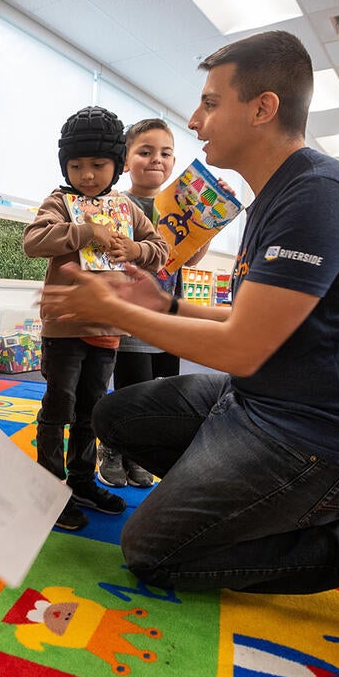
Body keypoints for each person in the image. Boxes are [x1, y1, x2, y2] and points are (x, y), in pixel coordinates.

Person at [39, 30, 339, 650]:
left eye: (210, 102)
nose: (194, 119)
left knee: (152, 550)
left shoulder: (319, 193)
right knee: (116, 413)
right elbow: (253, 315)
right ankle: (240, 500)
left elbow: (241, 347)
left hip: (322, 437)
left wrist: (114, 309)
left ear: (263, 108)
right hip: (257, 403)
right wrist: (170, 304)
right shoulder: (273, 196)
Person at [23, 105, 169, 531]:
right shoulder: (60, 201)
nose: (87, 175)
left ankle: (82, 480)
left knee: (92, 408)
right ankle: (49, 486)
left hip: (107, 329)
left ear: (117, 165)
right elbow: (33, 242)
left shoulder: (126, 207)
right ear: (64, 165)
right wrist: (85, 231)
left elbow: (158, 248)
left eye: (98, 165)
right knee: (59, 406)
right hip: (65, 326)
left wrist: (136, 250)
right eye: (76, 165)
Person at [96, 120, 221, 488]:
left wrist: (205, 227)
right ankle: (113, 447)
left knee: (161, 390)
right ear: (126, 160)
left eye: (165, 153)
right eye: (145, 152)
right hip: (133, 317)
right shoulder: (118, 203)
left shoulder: (178, 204)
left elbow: (190, 258)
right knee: (132, 388)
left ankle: (138, 452)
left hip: (168, 315)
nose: (156, 160)